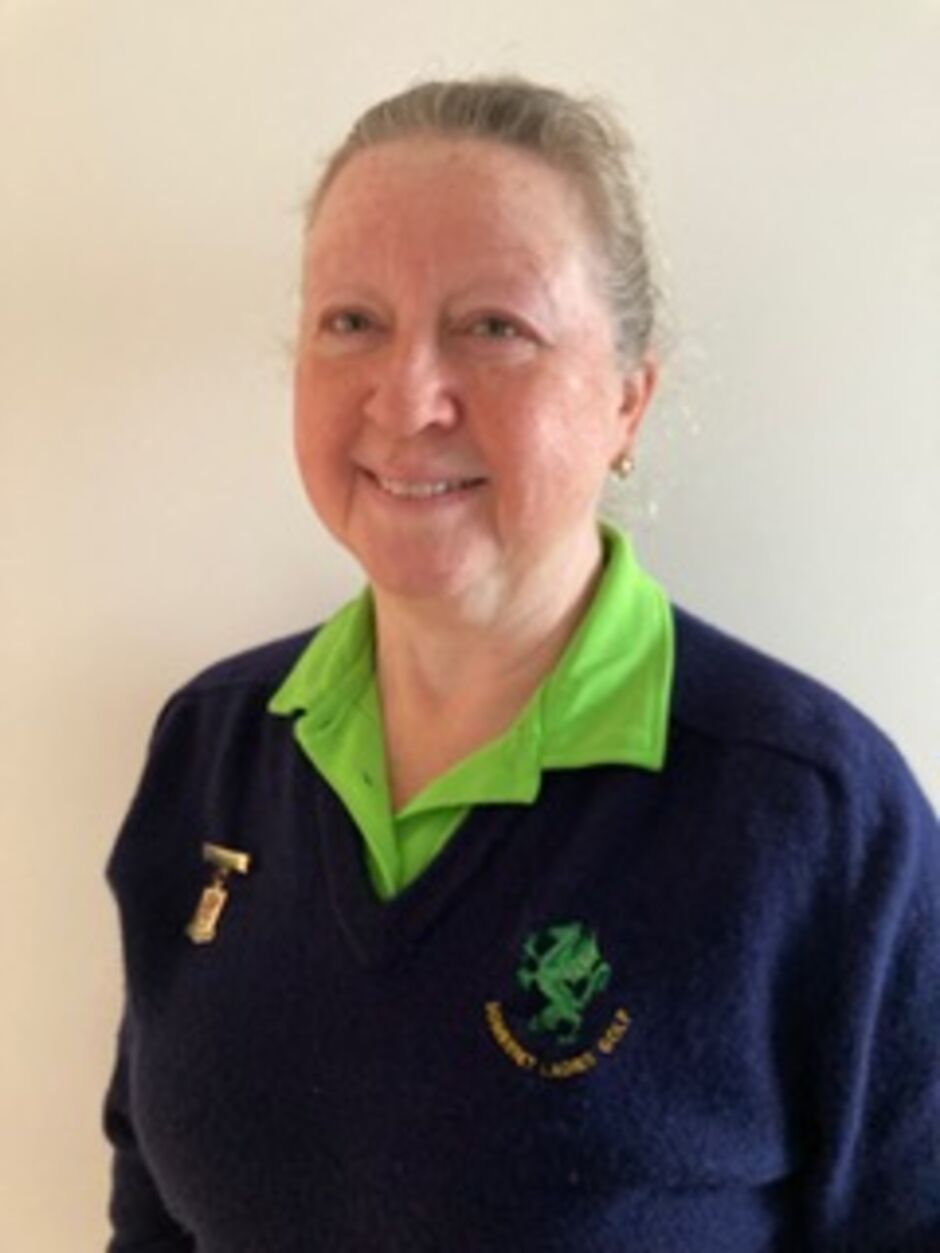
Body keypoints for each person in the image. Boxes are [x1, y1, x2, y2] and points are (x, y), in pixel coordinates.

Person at [103, 77, 940, 1252]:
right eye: (352, 321)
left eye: (494, 327)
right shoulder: (212, 746)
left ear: (627, 400)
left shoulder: (812, 812)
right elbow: (151, 1204)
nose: (408, 398)